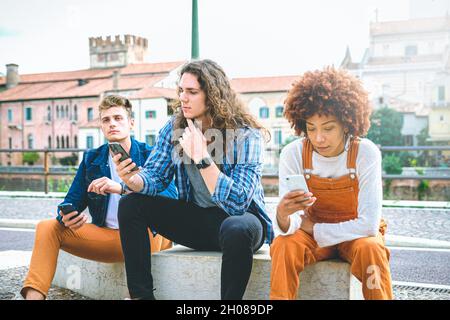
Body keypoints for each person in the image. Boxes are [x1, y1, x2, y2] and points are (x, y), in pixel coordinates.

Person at [102, 59, 274, 300]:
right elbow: (155, 177)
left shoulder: (246, 135)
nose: (183, 98)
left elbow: (238, 204)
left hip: (241, 225)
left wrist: (203, 158)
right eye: (181, 90)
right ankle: (141, 297)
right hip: (198, 220)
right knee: (131, 204)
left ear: (214, 95)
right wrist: (131, 179)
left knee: (235, 227)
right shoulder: (174, 127)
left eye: (192, 92)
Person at [21, 95, 177, 300]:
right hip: (111, 237)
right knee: (47, 227)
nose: (112, 123)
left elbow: (172, 197)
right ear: (101, 127)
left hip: (150, 235)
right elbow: (71, 201)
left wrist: (123, 187)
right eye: (106, 120)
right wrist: (66, 215)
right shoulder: (92, 159)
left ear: (131, 123)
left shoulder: (151, 154)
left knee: (141, 226)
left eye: (118, 118)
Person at [270, 67, 393, 300]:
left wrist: (315, 229)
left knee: (371, 248)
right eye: (311, 128)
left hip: (356, 236)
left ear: (346, 123)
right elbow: (293, 224)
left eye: (328, 128)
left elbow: (368, 225)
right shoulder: (292, 154)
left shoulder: (365, 153)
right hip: (311, 237)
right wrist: (283, 216)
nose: (318, 138)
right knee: (283, 244)